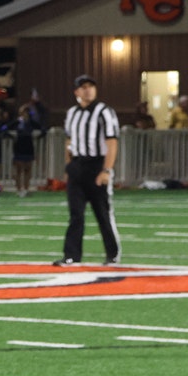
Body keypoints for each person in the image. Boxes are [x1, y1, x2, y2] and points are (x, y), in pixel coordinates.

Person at [55, 74, 120, 266]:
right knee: (76, 214)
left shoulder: (104, 112)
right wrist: (68, 165)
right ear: (76, 92)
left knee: (103, 213)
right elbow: (69, 141)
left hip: (96, 166)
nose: (88, 90)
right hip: (77, 166)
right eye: (83, 87)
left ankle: (112, 254)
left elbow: (112, 142)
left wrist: (106, 170)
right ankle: (71, 255)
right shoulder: (72, 113)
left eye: (91, 86)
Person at [10, 102, 44, 198]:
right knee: (18, 169)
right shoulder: (17, 122)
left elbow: (43, 129)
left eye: (27, 112)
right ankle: (18, 188)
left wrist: (38, 137)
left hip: (28, 146)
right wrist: (11, 137)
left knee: (27, 169)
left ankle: (26, 188)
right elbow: (4, 128)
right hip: (19, 146)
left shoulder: (31, 123)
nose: (25, 114)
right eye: (24, 112)